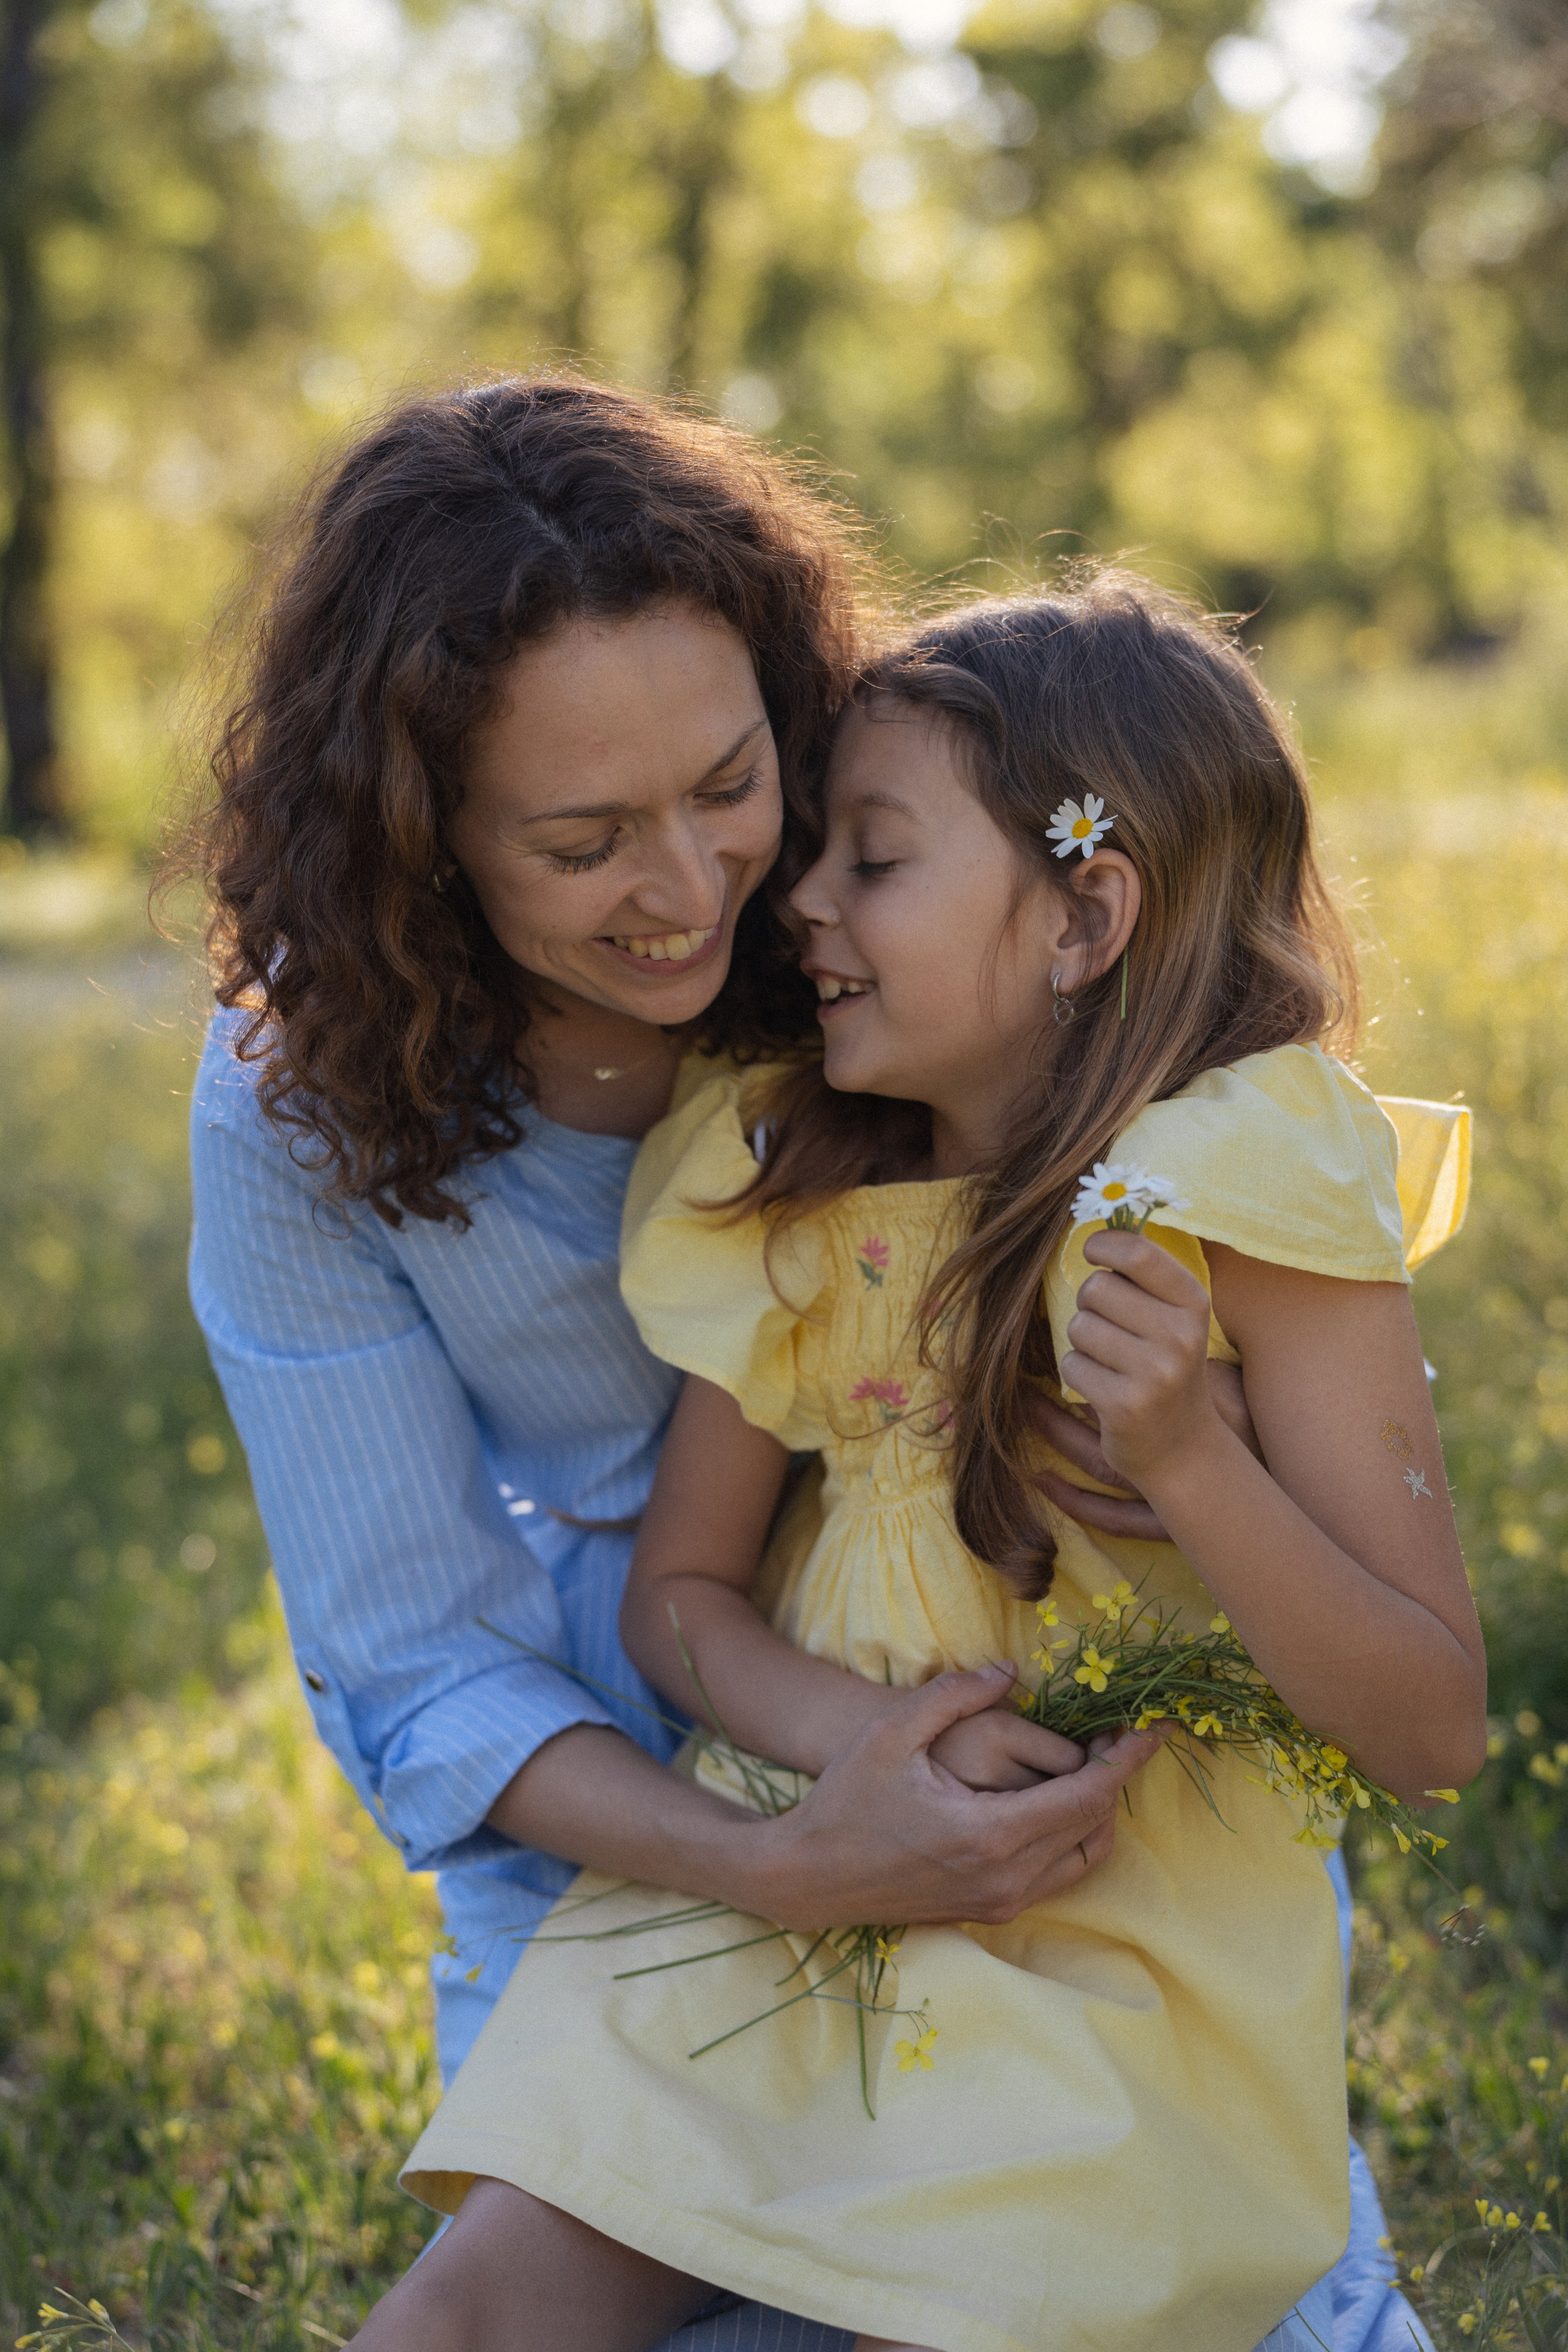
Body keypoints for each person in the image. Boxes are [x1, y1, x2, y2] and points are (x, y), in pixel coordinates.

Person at [183, 379, 1180, 2352]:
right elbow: (417, 1658)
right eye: (581, 841)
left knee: (1026, 2266)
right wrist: (782, 1862)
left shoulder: (892, 921)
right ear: (422, 840)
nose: (696, 892)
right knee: (577, 2270)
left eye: (733, 783)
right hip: (612, 1750)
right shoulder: (296, 1110)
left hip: (981, 1686)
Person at [387, 574, 1485, 2352]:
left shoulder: (1241, 1201)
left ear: (1084, 915)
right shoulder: (801, 1195)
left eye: (872, 862)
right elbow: (681, 1602)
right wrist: (851, 1748)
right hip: (803, 1893)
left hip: (1108, 1976)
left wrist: (1195, 1459)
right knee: (476, 2307)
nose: (798, 903)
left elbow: (1430, 1725)